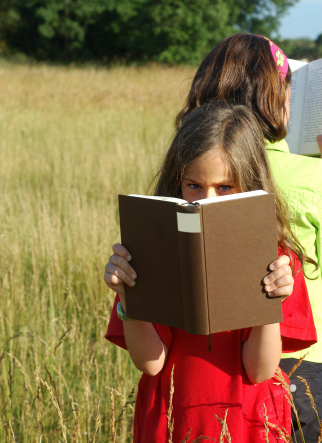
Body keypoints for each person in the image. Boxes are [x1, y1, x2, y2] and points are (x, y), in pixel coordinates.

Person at [104, 103, 317, 442]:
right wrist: (129, 300)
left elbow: (259, 370)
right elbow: (151, 363)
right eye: (193, 186)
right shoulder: (152, 249)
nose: (207, 200)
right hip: (170, 421)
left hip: (248, 425)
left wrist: (271, 306)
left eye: (225, 187)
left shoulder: (278, 260)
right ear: (177, 184)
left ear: (250, 184)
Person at [176, 33, 322, 440]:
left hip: (200, 374)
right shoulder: (312, 177)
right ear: (277, 97)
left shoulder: (191, 171)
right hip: (306, 361)